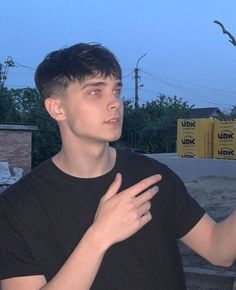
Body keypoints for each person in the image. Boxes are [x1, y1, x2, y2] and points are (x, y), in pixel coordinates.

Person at [0, 43, 235, 290]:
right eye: (95, 92)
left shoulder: (153, 177)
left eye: (116, 90)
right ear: (56, 108)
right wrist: (99, 236)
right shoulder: (18, 206)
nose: (115, 103)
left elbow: (219, 250)